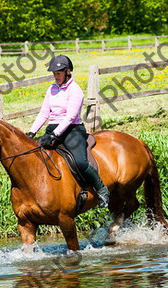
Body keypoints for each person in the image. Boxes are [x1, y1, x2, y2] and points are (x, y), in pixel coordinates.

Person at [27, 55, 110, 208]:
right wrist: (31, 132)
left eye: (58, 73)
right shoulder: (51, 89)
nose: (56, 76)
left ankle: (101, 188)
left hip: (73, 130)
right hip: (53, 128)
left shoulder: (75, 90)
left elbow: (70, 116)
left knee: (80, 161)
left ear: (68, 72)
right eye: (54, 74)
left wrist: (54, 135)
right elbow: (44, 113)